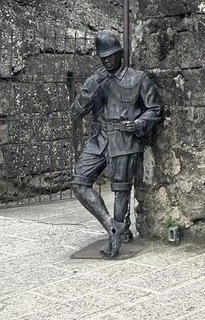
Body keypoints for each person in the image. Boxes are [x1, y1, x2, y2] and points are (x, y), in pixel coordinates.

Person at [71, 30, 162, 258]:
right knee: (79, 181)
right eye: (103, 57)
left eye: (111, 55)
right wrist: (90, 87)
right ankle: (113, 227)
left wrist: (139, 123)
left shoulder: (138, 78)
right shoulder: (96, 80)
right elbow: (76, 112)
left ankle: (119, 231)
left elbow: (154, 109)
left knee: (121, 189)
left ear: (120, 53)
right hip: (100, 137)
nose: (107, 60)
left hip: (125, 137)